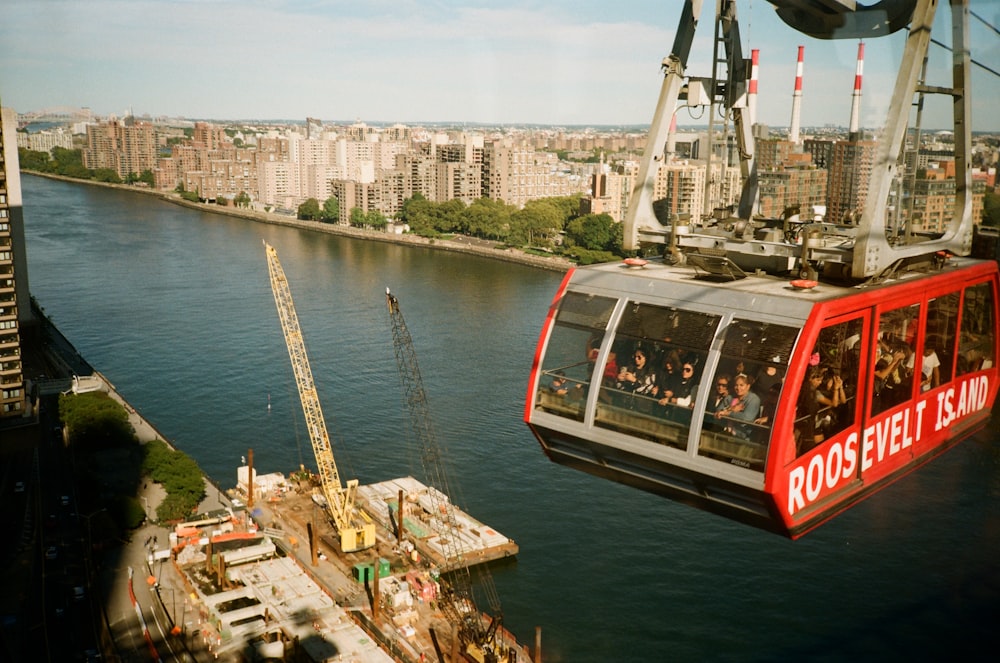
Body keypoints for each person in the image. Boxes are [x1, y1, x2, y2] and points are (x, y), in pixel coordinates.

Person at [716, 374, 761, 439]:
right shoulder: (730, 397)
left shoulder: (754, 399)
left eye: (741, 385)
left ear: (748, 386)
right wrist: (731, 409)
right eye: (736, 385)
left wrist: (728, 413)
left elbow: (747, 418)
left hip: (743, 437)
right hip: (725, 433)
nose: (738, 388)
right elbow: (718, 411)